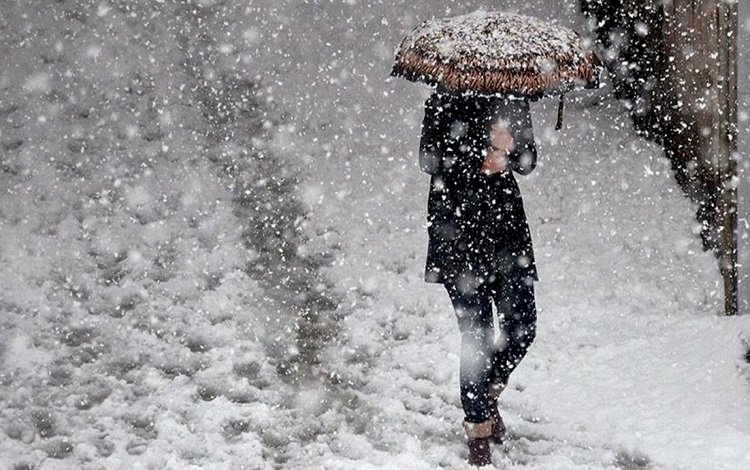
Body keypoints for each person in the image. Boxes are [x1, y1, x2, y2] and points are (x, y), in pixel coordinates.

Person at [419, 87, 539, 466]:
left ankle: (486, 393)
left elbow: (529, 160)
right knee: (477, 336)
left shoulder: (512, 99)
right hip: (457, 232)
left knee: (523, 324)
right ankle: (477, 430)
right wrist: (478, 153)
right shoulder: (442, 100)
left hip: (506, 233)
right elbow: (429, 159)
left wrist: (510, 150)